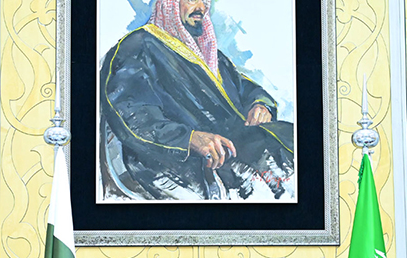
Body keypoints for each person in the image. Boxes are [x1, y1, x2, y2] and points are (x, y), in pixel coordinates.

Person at [100, 0, 295, 201]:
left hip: (237, 148)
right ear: (170, 3)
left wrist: (260, 104)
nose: (202, 6)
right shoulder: (137, 47)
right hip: (182, 164)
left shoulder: (210, 54)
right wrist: (189, 139)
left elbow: (243, 87)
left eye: (205, 0)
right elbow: (133, 117)